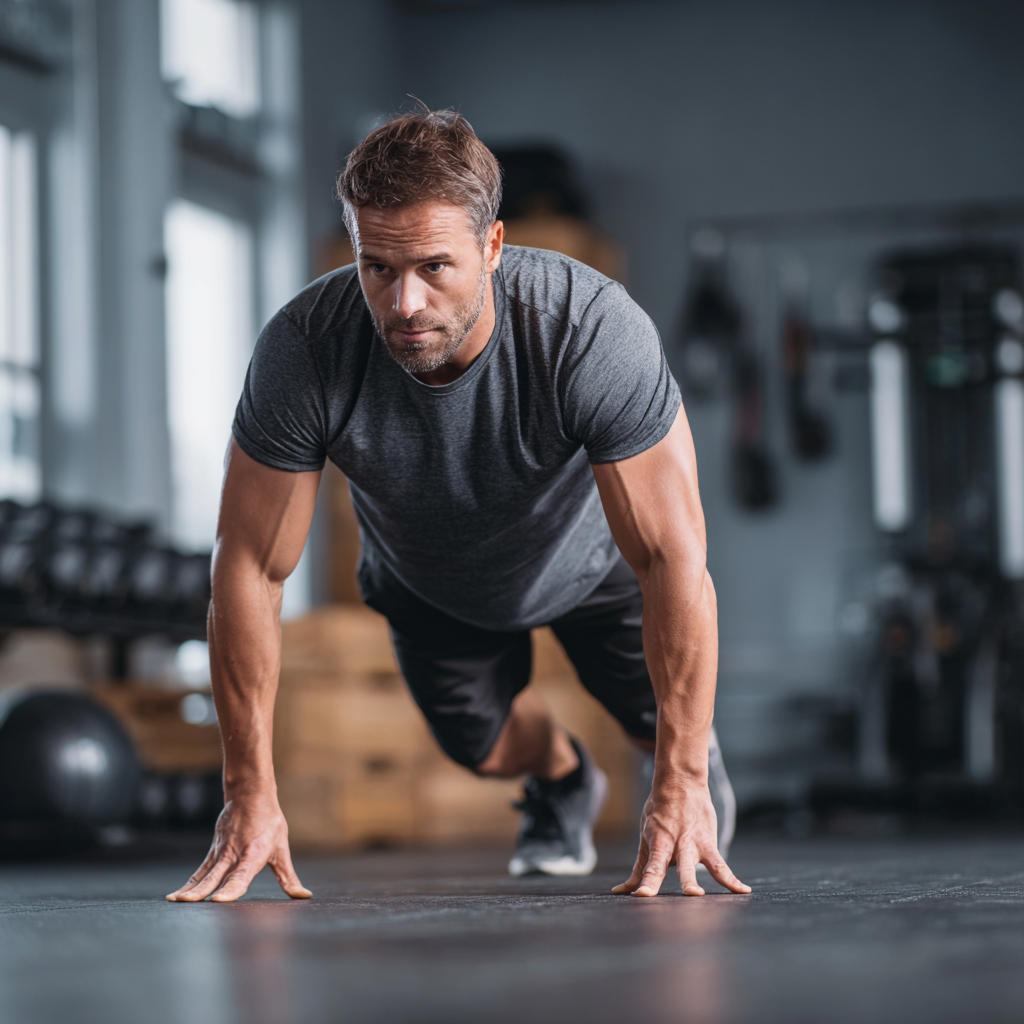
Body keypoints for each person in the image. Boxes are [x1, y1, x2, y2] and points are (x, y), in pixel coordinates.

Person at [167, 108, 751, 903]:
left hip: (591, 567)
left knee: (670, 732)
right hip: (429, 583)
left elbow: (671, 557)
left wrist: (678, 775)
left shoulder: (586, 327)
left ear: (494, 246)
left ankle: (681, 749)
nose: (403, 302)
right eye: (378, 266)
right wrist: (250, 792)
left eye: (435, 266)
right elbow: (249, 570)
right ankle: (563, 778)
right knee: (483, 749)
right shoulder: (306, 349)